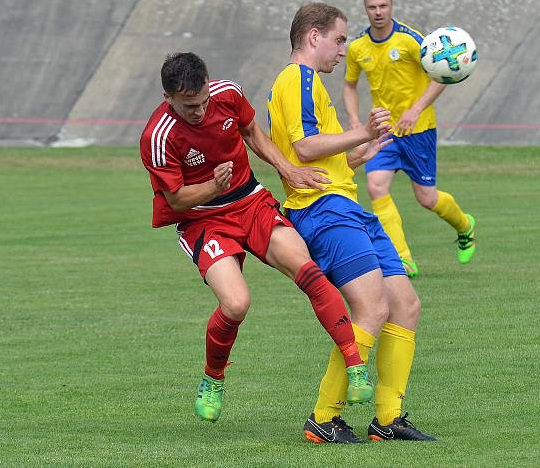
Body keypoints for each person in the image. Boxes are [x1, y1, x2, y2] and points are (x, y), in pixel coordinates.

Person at [139, 52, 374, 423]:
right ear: (169, 98)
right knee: (236, 304)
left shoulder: (227, 94)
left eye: (202, 102)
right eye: (189, 106)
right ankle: (213, 379)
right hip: (203, 220)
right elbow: (176, 199)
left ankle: (354, 363)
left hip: (250, 202)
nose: (199, 111)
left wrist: (288, 168)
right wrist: (212, 187)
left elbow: (251, 131)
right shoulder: (158, 136)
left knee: (308, 270)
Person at [267, 3, 435, 443]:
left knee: (405, 305)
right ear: (313, 36)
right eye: (339, 39)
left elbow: (330, 156)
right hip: (323, 210)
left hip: (346, 205)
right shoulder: (297, 79)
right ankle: (324, 418)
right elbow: (304, 148)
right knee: (371, 308)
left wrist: (370, 142)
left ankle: (388, 418)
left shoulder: (311, 86)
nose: (343, 50)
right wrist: (361, 133)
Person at [343, 0, 477, 278]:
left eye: (383, 6)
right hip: (385, 132)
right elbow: (349, 85)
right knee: (376, 187)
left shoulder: (411, 40)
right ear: (365, 9)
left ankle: (465, 226)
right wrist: (354, 119)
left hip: (419, 131)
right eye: (372, 7)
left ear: (392, 6)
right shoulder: (357, 48)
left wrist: (415, 109)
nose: (378, 12)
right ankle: (403, 260)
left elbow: (440, 76)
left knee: (426, 198)